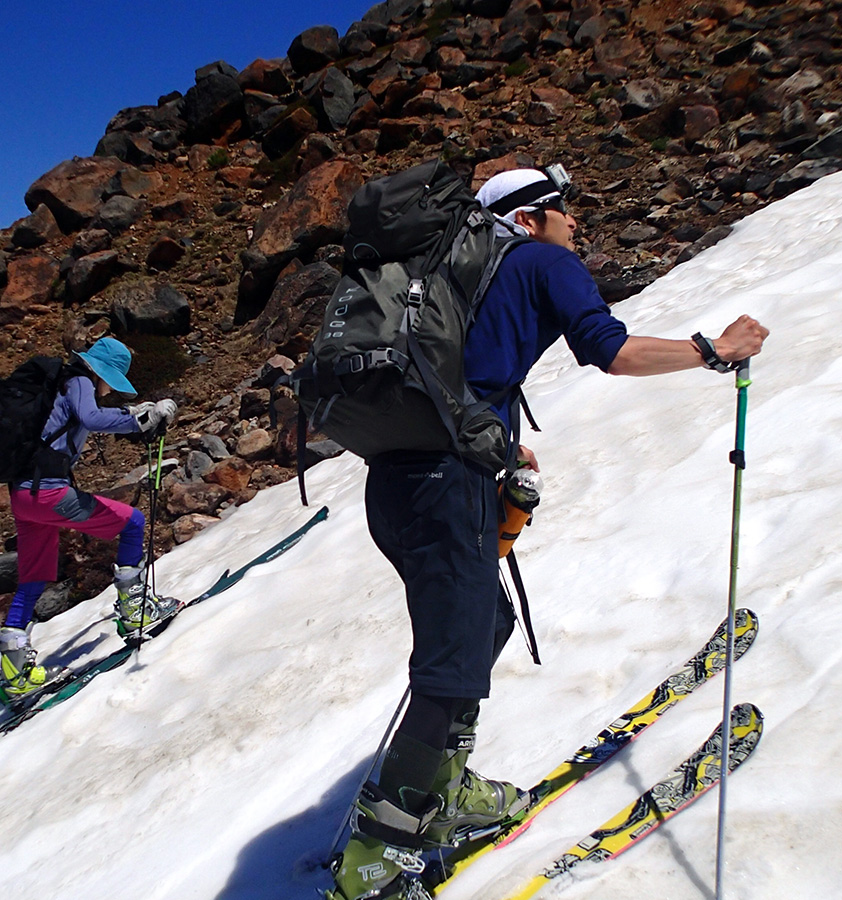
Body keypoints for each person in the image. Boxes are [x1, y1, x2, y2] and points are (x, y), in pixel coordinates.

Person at [326, 169, 770, 900]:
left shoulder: (446, 277)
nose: (576, 223)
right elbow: (610, 350)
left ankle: (442, 789)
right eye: (565, 210)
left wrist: (501, 444)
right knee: (450, 663)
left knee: (485, 623)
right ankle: (372, 861)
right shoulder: (537, 260)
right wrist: (713, 348)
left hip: (395, 483)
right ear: (529, 218)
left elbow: (455, 376)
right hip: (446, 483)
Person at [0, 336, 180, 698]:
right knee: (132, 523)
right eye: (112, 381)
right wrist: (140, 419)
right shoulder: (79, 380)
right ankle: (136, 611)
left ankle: (15, 671)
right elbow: (92, 418)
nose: (111, 389)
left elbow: (83, 418)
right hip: (48, 493)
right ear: (102, 372)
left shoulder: (58, 386)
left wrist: (134, 414)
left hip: (23, 495)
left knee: (33, 579)